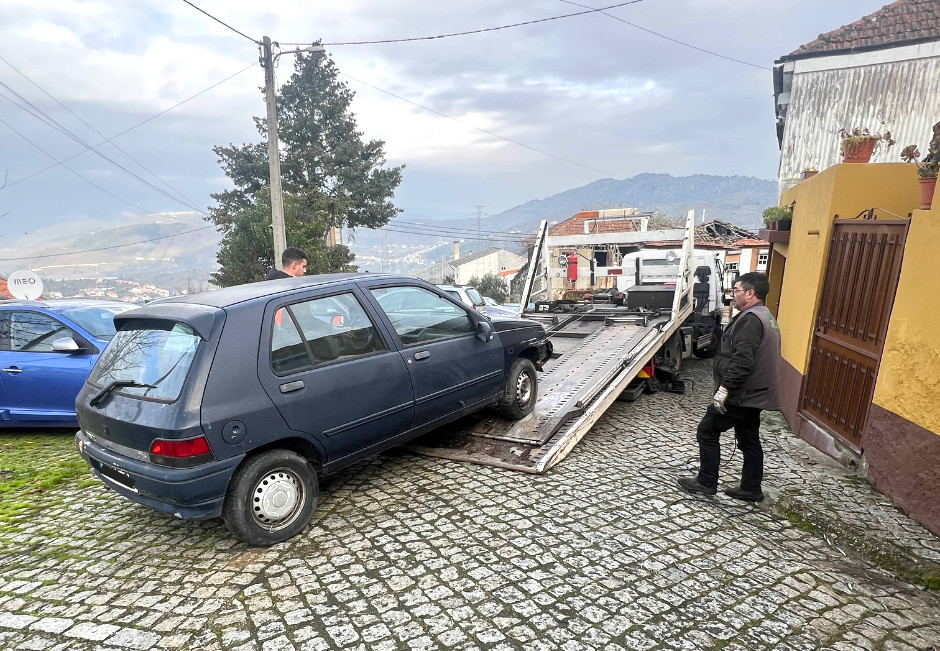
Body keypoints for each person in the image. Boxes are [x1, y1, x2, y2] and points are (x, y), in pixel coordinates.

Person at [678, 271, 781, 502]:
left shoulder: (750, 320)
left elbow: (743, 361)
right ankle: (751, 488)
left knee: (707, 430)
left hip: (742, 394)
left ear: (751, 293)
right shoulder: (763, 315)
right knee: (748, 439)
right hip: (756, 394)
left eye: (736, 290)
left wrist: (725, 390)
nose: (732, 295)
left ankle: (706, 482)